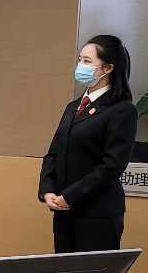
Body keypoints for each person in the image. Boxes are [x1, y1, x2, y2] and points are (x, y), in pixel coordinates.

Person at [39, 35, 138, 253]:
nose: (80, 66)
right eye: (80, 60)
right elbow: (55, 152)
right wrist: (48, 190)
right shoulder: (73, 106)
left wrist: (70, 197)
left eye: (87, 62)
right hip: (64, 210)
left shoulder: (122, 110)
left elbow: (112, 165)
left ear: (108, 68)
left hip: (97, 213)